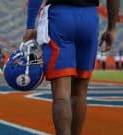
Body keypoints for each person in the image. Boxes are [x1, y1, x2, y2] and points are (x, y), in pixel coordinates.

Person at [23, 0, 119, 135]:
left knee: (61, 95)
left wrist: (30, 26)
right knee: (80, 92)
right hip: (89, 18)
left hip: (60, 17)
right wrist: (111, 28)